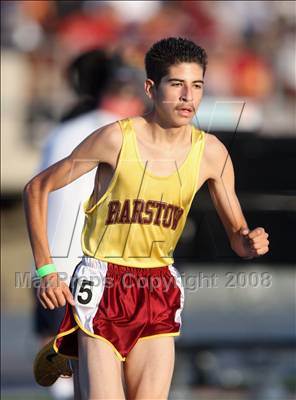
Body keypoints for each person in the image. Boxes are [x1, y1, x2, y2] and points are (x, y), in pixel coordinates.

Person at [24, 37, 269, 400]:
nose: (188, 97)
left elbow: (237, 233)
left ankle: (69, 350)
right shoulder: (115, 140)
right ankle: (74, 347)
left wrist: (248, 243)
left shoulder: (211, 154)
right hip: (103, 281)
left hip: (157, 286)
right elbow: (38, 188)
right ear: (151, 89)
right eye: (177, 85)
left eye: (197, 86)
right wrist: (46, 271)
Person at [32, 48, 144, 399]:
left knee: (66, 377)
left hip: (49, 266)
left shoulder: (63, 130)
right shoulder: (120, 136)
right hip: (97, 271)